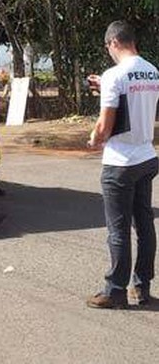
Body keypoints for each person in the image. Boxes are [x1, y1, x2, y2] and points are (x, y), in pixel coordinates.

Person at [86, 20, 159, 309]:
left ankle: (115, 290)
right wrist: (105, 85)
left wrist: (94, 139)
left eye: (108, 48)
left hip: (119, 162)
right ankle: (141, 286)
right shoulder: (153, 71)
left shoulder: (114, 75)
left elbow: (105, 126)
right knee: (144, 224)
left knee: (118, 229)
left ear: (113, 43)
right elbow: (138, 100)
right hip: (146, 156)